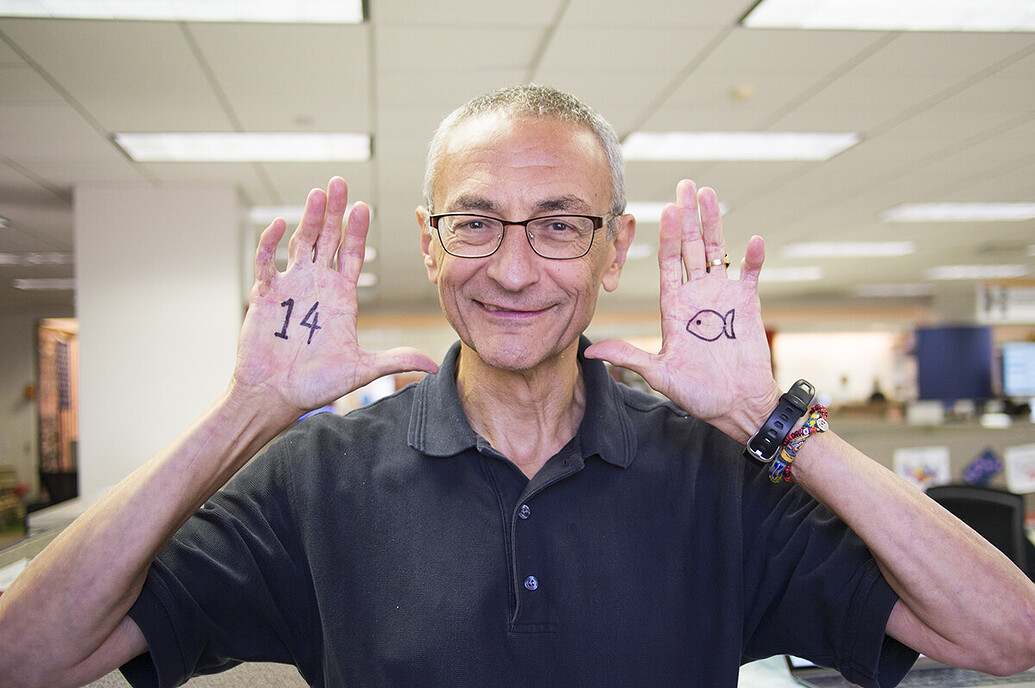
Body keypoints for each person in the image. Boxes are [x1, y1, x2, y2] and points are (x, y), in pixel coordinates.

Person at [1, 84, 1034, 688]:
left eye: (558, 224)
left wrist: (766, 419)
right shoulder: (315, 479)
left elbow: (1003, 633)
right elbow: (27, 653)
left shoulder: (716, 477)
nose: (510, 268)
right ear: (428, 241)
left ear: (613, 248)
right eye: (476, 221)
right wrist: (247, 413)